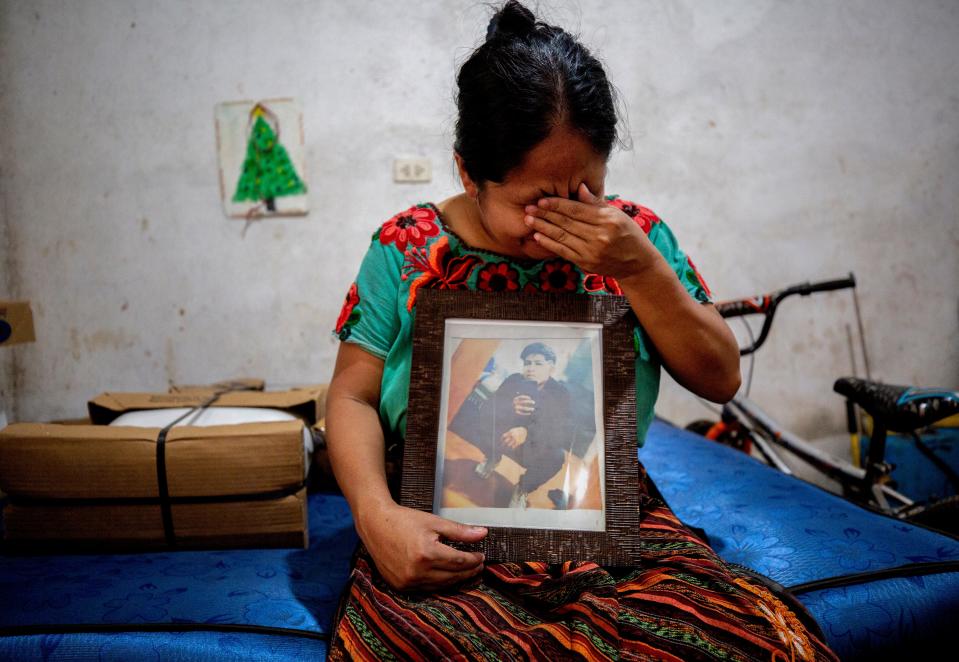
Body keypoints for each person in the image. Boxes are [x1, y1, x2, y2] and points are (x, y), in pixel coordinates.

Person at [326, 2, 838, 659]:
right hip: (442, 526)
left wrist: (640, 270)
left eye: (585, 190)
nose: (561, 222)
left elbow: (719, 378)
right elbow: (349, 398)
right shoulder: (405, 249)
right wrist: (377, 519)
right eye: (534, 203)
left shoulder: (635, 241)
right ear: (467, 173)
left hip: (601, 519)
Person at [474, 342, 573, 508]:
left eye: (538, 364)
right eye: (527, 363)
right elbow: (488, 409)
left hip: (534, 448)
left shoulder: (561, 394)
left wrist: (527, 432)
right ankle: (492, 456)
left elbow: (558, 433)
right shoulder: (514, 380)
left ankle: (523, 488)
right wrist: (508, 407)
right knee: (480, 422)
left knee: (557, 457)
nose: (530, 368)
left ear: (551, 368)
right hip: (505, 439)